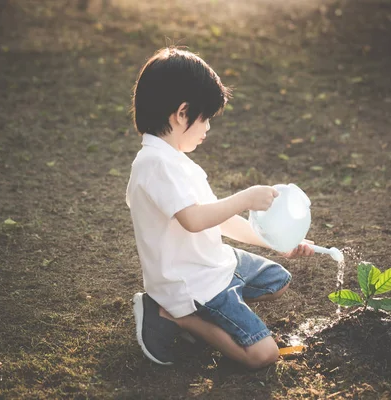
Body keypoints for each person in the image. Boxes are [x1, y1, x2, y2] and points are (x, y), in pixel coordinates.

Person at [126, 47, 314, 369]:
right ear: (182, 113)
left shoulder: (176, 162)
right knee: (263, 355)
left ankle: (216, 308)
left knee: (277, 281)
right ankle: (173, 314)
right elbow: (195, 221)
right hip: (189, 282)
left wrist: (277, 244)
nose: (208, 129)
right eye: (206, 118)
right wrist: (246, 198)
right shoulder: (155, 165)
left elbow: (220, 221)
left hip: (214, 264)